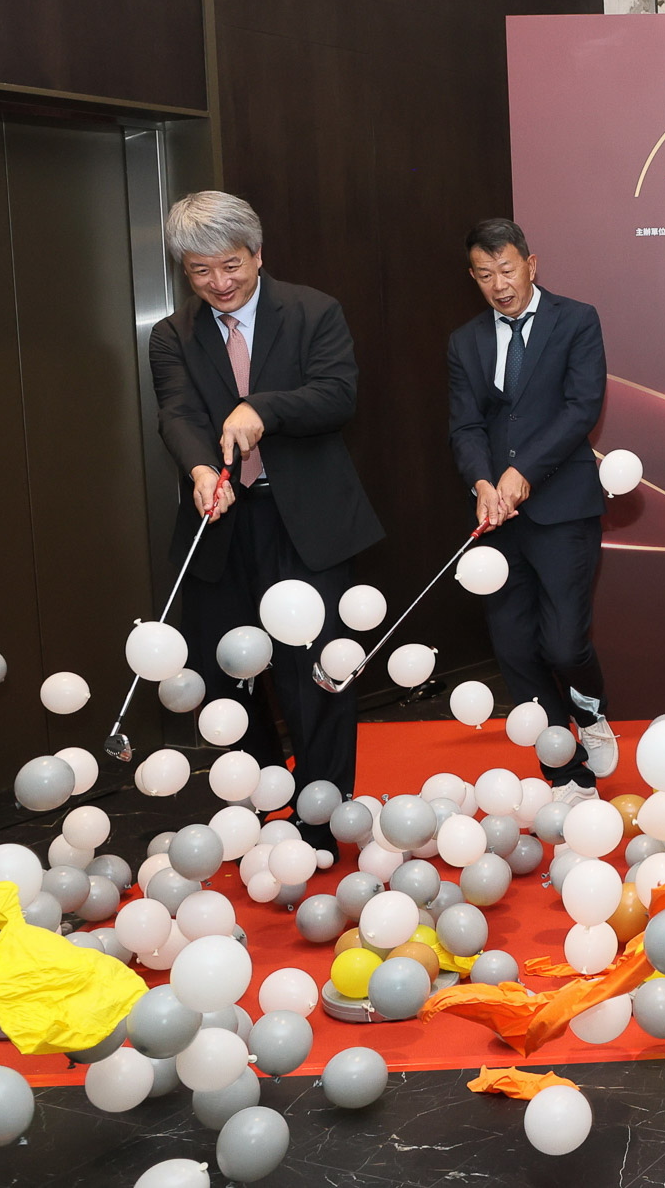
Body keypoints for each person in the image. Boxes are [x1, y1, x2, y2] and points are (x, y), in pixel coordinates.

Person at [147, 191, 382, 853]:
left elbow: (337, 395)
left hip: (307, 521)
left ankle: (321, 819)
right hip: (223, 523)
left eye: (230, 266)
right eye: (200, 272)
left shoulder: (312, 311)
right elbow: (176, 413)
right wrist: (200, 470)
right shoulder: (172, 334)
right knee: (231, 672)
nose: (219, 284)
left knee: (316, 673)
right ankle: (257, 811)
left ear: (257, 254)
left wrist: (262, 409)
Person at [446, 218, 615, 786]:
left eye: (507, 270)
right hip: (496, 517)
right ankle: (562, 773)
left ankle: (589, 711)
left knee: (564, 644)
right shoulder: (465, 340)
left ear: (531, 264)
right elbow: (465, 425)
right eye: (484, 274)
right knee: (516, 650)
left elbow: (581, 407)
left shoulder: (577, 319)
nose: (499, 285)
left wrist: (524, 472)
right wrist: (482, 483)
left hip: (562, 507)